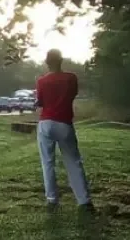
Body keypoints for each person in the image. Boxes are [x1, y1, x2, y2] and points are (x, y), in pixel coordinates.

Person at [35, 48, 94, 213]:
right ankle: (84, 201)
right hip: (64, 123)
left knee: (47, 163)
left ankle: (52, 200)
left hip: (46, 122)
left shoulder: (41, 81)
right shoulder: (71, 78)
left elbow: (40, 102)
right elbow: (72, 95)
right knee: (73, 162)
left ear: (47, 63)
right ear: (61, 61)